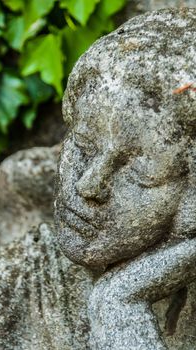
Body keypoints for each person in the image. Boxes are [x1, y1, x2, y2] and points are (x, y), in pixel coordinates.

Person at [54, 7, 196, 349]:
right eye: (84, 143)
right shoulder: (21, 277)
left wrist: (118, 305)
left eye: (138, 173)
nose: (88, 185)